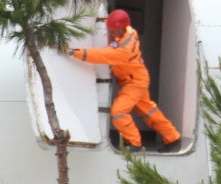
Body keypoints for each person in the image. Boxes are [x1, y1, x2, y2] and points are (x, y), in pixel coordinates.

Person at [69, 8, 182, 153]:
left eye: (113, 31)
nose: (111, 34)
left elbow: (101, 55)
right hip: (138, 78)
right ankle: (173, 138)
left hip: (134, 83)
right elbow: (114, 35)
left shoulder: (123, 50)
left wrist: (74, 52)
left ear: (121, 30)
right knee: (149, 111)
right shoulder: (129, 31)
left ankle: (134, 143)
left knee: (118, 112)